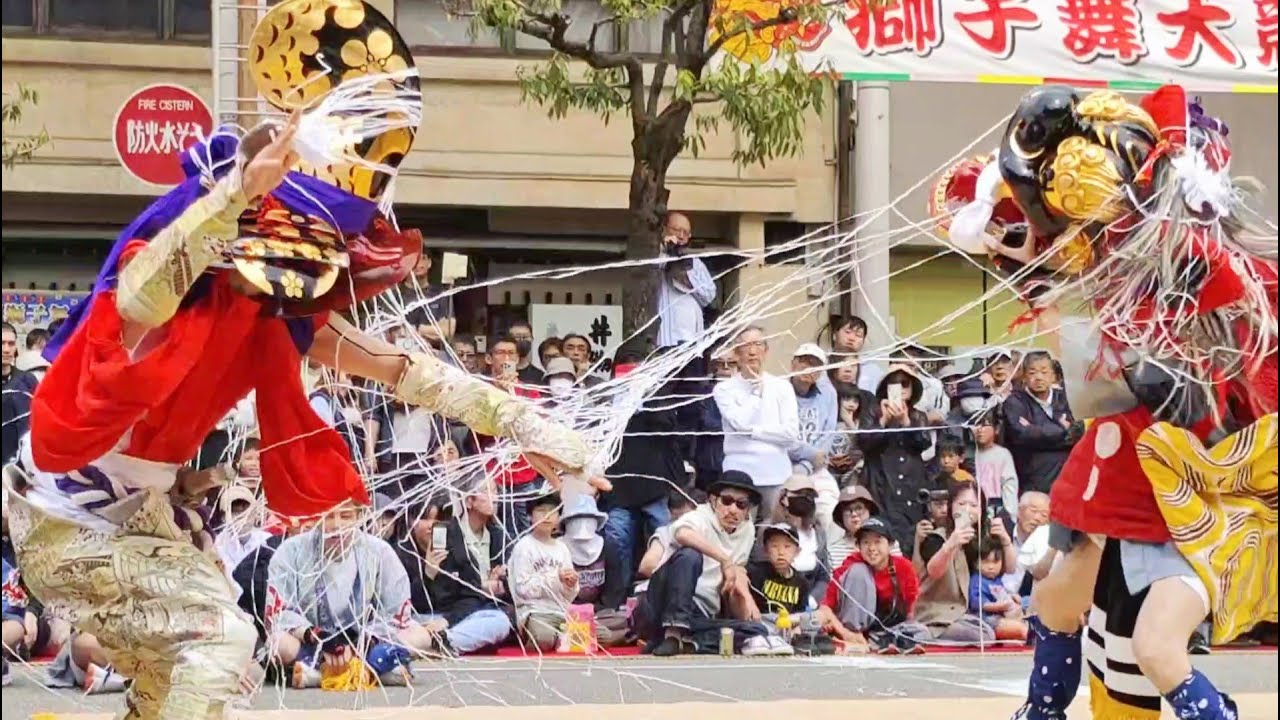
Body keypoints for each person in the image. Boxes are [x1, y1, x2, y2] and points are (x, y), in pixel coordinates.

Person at [2, 15, 595, 716]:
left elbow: (406, 371)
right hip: (63, 515)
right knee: (220, 643)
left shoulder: (281, 308)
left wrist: (533, 427)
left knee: (182, 682)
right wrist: (233, 198)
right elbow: (141, 294)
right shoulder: (174, 277)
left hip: (145, 516)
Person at [265, 504, 426, 688]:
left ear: (359, 517)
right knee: (277, 643)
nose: (336, 525)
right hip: (314, 645)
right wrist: (315, 636)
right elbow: (278, 613)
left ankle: (330, 674)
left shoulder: (379, 551)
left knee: (420, 636)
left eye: (346, 516)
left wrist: (368, 640)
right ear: (316, 517)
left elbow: (397, 611)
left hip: (368, 645)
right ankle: (360, 673)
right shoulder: (290, 551)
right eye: (329, 517)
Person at [631, 471, 758, 656]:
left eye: (741, 504)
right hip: (663, 600)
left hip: (699, 612)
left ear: (747, 510)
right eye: (727, 501)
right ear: (714, 501)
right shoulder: (701, 516)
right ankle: (673, 634)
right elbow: (682, 534)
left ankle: (689, 644)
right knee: (690, 555)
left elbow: (736, 575)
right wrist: (724, 560)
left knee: (754, 631)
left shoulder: (748, 531)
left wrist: (748, 604)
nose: (733, 509)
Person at [914, 482, 1015, 644]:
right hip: (940, 613)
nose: (967, 509)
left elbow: (1010, 568)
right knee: (983, 636)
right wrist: (951, 543)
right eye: (961, 504)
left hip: (974, 612)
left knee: (1017, 621)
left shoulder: (983, 538)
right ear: (951, 507)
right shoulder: (936, 537)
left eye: (974, 505)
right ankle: (926, 634)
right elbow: (934, 571)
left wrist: (1005, 540)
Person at [714, 326, 799, 516]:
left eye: (758, 344)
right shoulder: (724, 389)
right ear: (737, 352)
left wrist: (753, 432)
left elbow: (790, 434)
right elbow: (739, 422)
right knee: (738, 531)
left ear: (766, 350)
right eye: (746, 345)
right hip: (739, 473)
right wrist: (755, 392)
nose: (752, 351)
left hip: (775, 472)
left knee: (771, 532)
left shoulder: (782, 387)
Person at [817, 517, 928, 655]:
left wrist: (907, 630)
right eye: (866, 542)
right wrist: (845, 633)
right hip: (852, 630)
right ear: (858, 546)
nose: (872, 548)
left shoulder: (904, 567)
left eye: (878, 542)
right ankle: (863, 639)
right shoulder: (851, 565)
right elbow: (825, 608)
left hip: (885, 629)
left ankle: (887, 640)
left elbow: (911, 610)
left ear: (891, 544)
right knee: (859, 571)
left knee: (922, 632)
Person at [859, 365, 935, 550]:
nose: (899, 388)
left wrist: (906, 421)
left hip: (911, 486)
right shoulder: (872, 412)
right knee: (881, 537)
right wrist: (883, 421)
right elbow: (864, 442)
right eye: (893, 383)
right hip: (881, 484)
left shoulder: (918, 415)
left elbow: (924, 443)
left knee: (910, 541)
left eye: (904, 384)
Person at [1001, 351, 1081, 496]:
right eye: (1032, 372)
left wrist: (1037, 430)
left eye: (1044, 372)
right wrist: (1064, 431)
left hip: (1068, 476)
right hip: (1033, 478)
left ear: (1053, 376)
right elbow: (1023, 435)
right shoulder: (1015, 402)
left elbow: (1080, 433)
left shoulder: (1065, 399)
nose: (1038, 378)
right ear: (1024, 376)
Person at [508, 492, 580, 652]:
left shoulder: (562, 548)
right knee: (543, 638)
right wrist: (555, 578)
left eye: (552, 511)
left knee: (604, 635)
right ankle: (562, 640)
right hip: (535, 612)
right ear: (530, 516)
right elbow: (522, 589)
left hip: (563, 612)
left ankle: (562, 638)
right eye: (541, 511)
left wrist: (571, 584)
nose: (547, 516)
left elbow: (569, 595)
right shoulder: (524, 547)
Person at [656, 211, 717, 351]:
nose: (681, 236)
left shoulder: (695, 262)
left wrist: (686, 272)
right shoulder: (653, 256)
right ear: (664, 229)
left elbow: (709, 295)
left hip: (689, 339)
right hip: (660, 339)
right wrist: (666, 252)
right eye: (677, 230)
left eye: (686, 232)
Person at [748, 523, 809, 651]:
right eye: (774, 546)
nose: (781, 552)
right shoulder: (756, 573)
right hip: (761, 623)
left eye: (787, 546)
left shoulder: (801, 582)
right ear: (765, 550)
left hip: (787, 625)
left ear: (797, 551)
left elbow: (800, 612)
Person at [787, 343, 837, 474]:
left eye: (815, 365)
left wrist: (806, 467)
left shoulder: (828, 394)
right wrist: (809, 455)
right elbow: (781, 438)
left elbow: (828, 434)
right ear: (793, 365)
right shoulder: (778, 390)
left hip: (816, 465)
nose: (808, 368)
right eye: (803, 361)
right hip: (783, 463)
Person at [969, 543, 1028, 642]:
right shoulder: (976, 580)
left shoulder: (997, 580)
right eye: (985, 562)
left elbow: (1001, 595)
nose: (991, 567)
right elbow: (975, 603)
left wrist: (1012, 597)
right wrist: (997, 607)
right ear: (976, 563)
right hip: (985, 619)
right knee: (1021, 630)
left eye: (995, 562)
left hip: (1002, 615)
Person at [973, 413, 1018, 517]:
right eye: (976, 425)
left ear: (996, 429)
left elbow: (1009, 485)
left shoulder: (1002, 454)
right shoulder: (968, 455)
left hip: (995, 509)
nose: (979, 429)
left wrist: (1010, 513)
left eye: (984, 425)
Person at [508, 321, 545, 386]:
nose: (522, 340)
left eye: (525, 337)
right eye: (517, 337)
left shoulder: (540, 376)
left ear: (531, 339)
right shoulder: (500, 372)